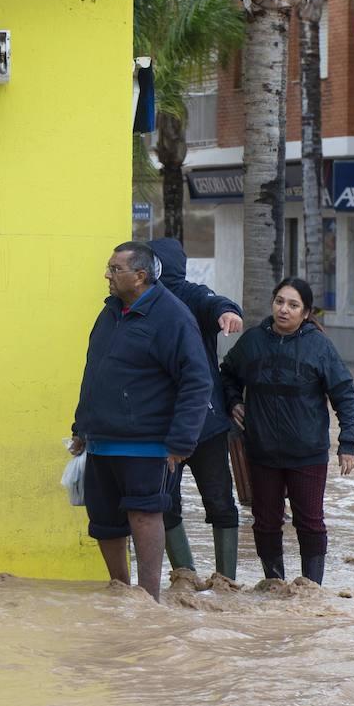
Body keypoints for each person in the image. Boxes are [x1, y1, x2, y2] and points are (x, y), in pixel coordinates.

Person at [70, 241, 211, 602]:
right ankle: (121, 592)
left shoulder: (173, 317)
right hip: (102, 439)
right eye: (109, 267)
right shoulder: (110, 312)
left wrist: (182, 442)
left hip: (150, 443)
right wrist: (81, 427)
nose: (107, 275)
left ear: (141, 275)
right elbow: (95, 372)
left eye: (115, 269)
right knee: (104, 523)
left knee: (145, 515)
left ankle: (148, 600)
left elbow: (197, 381)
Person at [220, 277, 354, 585]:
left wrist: (348, 442)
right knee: (266, 523)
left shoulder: (318, 346)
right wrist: (233, 402)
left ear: (306, 313)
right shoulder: (253, 341)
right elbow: (227, 374)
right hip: (261, 451)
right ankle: (274, 585)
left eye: (293, 305)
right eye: (279, 302)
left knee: (310, 523)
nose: (284, 310)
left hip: (307, 453)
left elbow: (345, 392)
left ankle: (310, 588)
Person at [148, 238, 245, 579]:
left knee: (216, 501)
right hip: (165, 427)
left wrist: (229, 313)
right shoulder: (140, 303)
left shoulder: (189, 294)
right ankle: (185, 576)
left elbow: (215, 303)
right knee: (168, 503)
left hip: (205, 425)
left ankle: (224, 579)